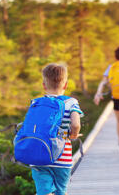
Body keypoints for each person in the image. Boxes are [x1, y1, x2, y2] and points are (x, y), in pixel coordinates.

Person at [32, 63, 84, 195]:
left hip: (39, 156)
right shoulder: (71, 102)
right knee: (61, 191)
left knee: (43, 191)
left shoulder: (36, 102)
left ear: (44, 85)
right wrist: (73, 134)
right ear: (65, 85)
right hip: (62, 158)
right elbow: (76, 124)